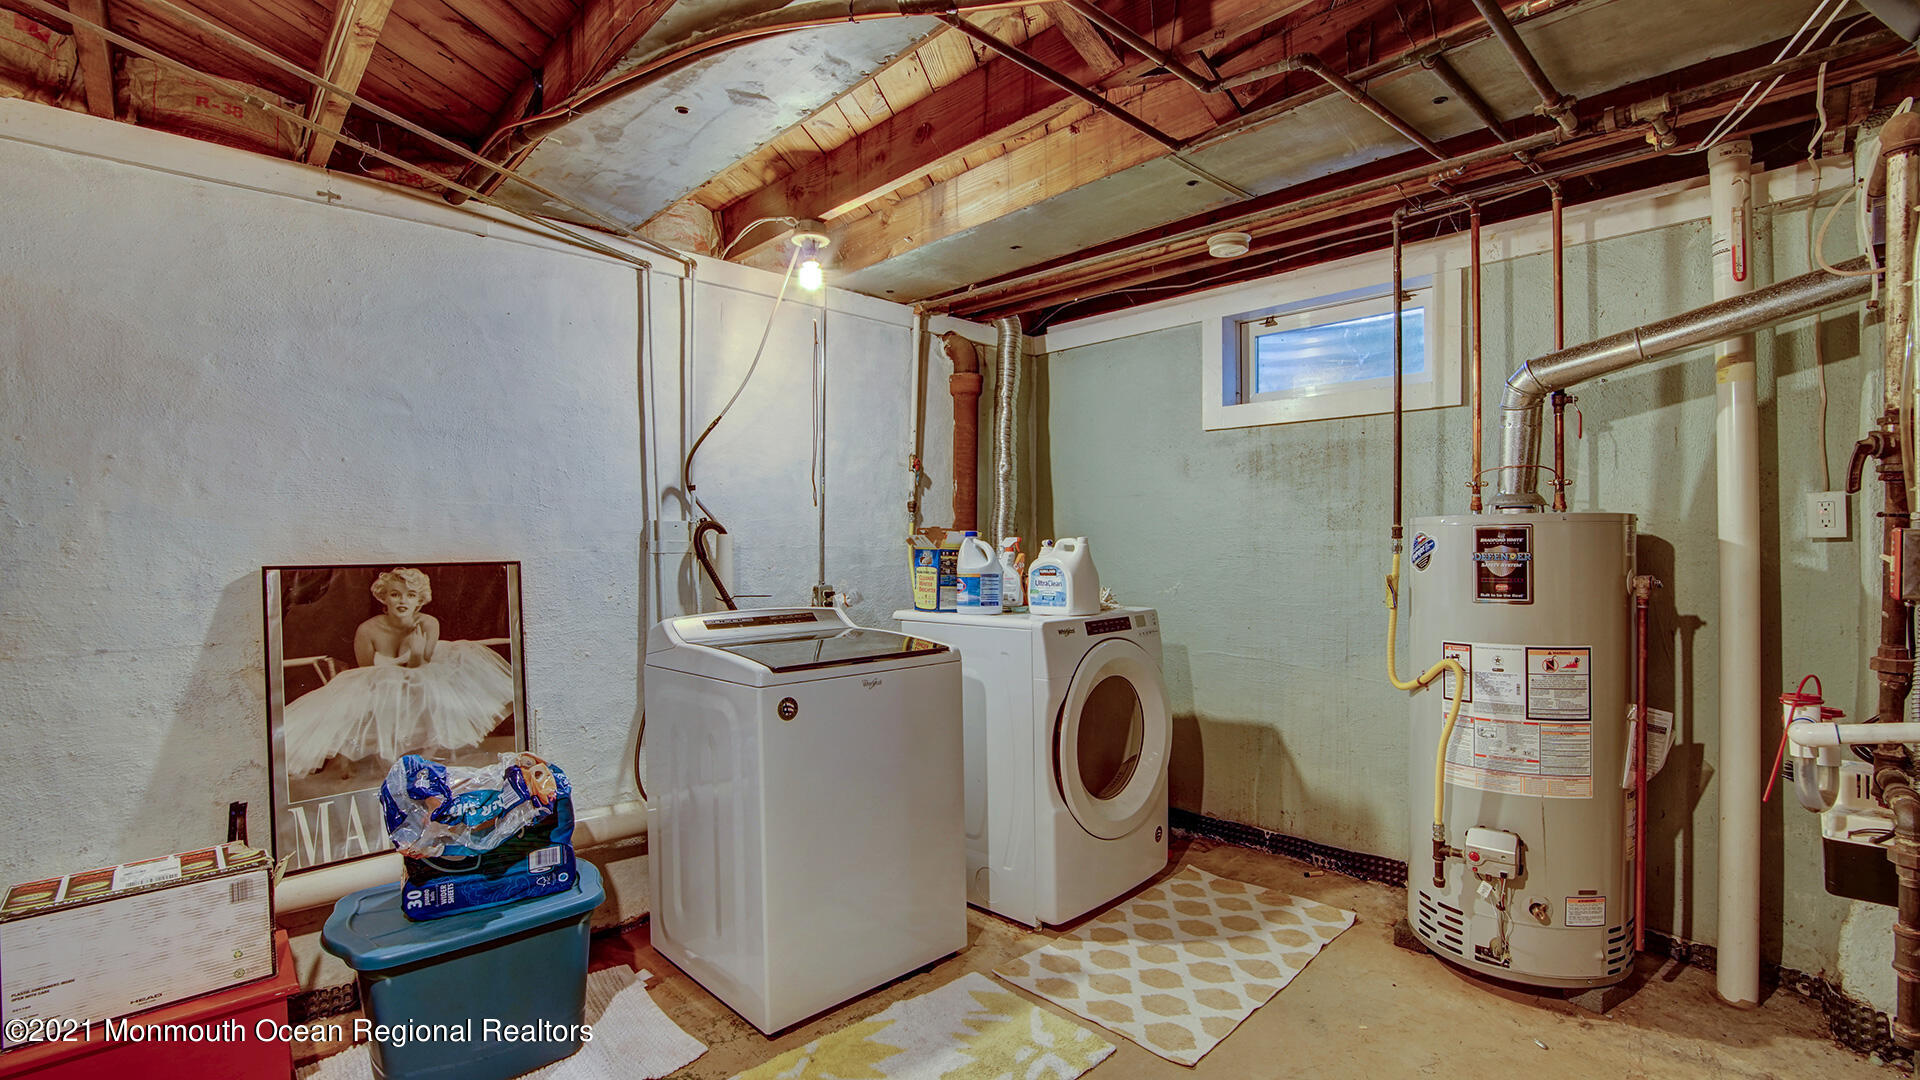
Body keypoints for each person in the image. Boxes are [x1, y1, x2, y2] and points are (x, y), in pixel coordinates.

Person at [284, 568, 514, 779]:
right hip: (382, 687)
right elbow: (367, 674)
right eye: (395, 594)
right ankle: (371, 765)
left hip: (420, 684)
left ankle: (424, 762)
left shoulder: (428, 623)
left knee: (432, 689)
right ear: (384, 598)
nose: (403, 600)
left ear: (419, 601)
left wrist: (415, 653)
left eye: (411, 595)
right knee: (349, 700)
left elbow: (420, 667)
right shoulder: (367, 630)